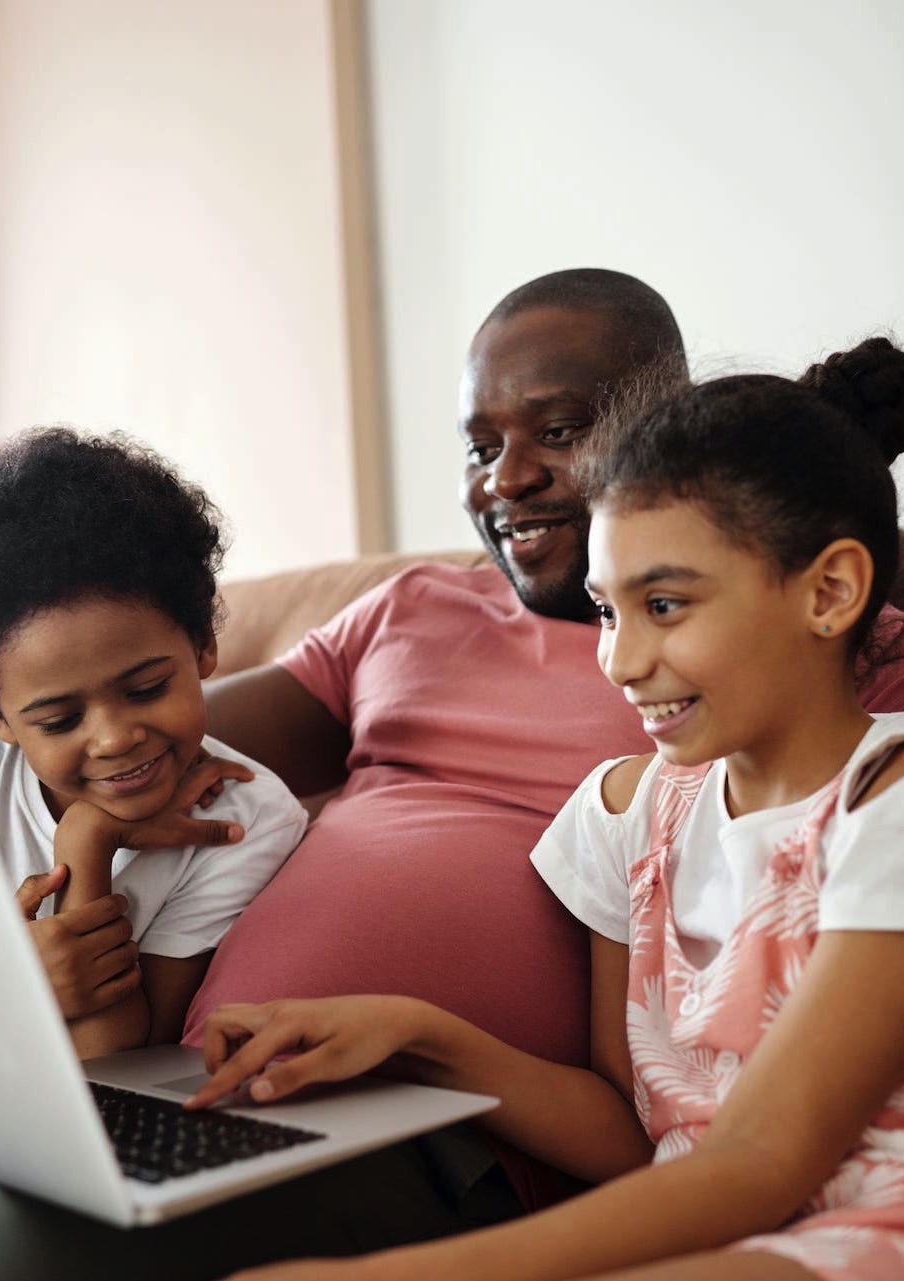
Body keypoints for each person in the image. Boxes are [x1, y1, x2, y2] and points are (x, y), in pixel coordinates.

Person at [189, 336, 904, 1281]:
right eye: (607, 610)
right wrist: (417, 1031)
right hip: (710, 1228)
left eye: (665, 604)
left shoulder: (882, 807)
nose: (619, 660)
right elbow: (632, 1134)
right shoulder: (622, 814)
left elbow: (760, 1162)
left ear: (831, 591)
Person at [0, 428, 307, 1059]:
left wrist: (87, 840)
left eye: (145, 689)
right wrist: (1, 984)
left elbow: (115, 1064)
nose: (114, 739)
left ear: (202, 645)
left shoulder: (244, 819)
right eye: (59, 721)